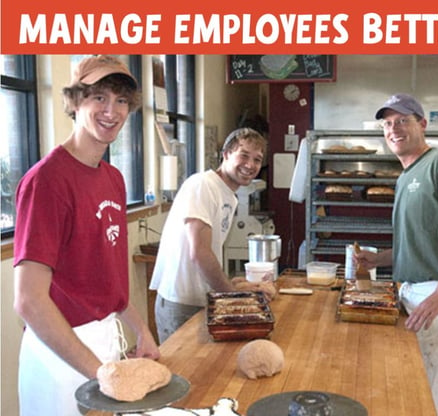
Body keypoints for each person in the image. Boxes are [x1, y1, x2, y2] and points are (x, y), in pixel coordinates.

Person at [13, 55, 160, 416]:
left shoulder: (113, 178)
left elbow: (108, 276)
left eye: (122, 100)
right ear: (75, 101)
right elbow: (29, 300)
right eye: (99, 97)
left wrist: (141, 331)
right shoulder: (47, 181)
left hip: (105, 342)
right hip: (59, 355)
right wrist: (98, 371)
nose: (112, 110)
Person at [355, 93, 438, 416]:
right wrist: (378, 260)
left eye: (403, 121)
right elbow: (420, 241)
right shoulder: (405, 176)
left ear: (422, 124)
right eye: (387, 123)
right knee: (418, 381)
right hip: (413, 291)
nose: (393, 129)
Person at [150, 127, 267, 343]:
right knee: (182, 372)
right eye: (243, 155)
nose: (250, 165)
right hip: (181, 301)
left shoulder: (229, 196)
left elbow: (211, 249)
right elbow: (200, 252)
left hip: (202, 298)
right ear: (226, 154)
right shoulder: (203, 185)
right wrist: (233, 296)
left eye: (257, 160)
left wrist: (230, 284)